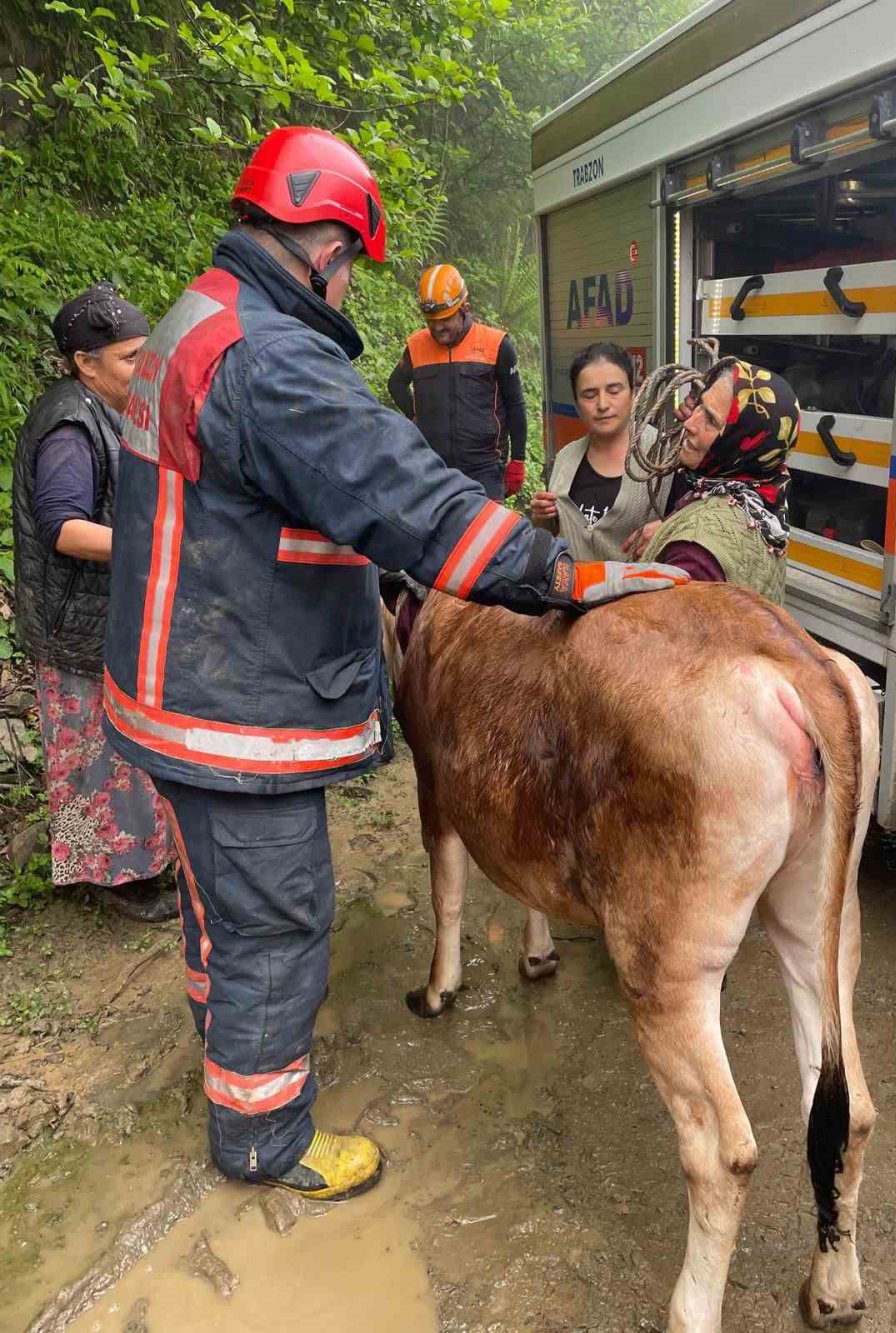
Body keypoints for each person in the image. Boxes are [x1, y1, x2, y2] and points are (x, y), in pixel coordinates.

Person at [101, 126, 688, 1204]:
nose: (351, 280)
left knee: (220, 897)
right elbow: (413, 505)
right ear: (324, 239)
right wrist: (567, 580)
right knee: (278, 914)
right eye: (351, 260)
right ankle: (264, 1136)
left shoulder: (198, 318)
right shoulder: (271, 360)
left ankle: (222, 1034)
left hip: (168, 679)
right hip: (231, 697)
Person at [12, 284, 177, 923]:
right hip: (74, 626)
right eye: (132, 358)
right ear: (86, 362)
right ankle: (116, 879)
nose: (144, 370)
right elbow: (64, 527)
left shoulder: (106, 409)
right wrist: (159, 544)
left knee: (122, 751)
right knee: (94, 758)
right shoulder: (70, 422)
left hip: (103, 615)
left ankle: (137, 862)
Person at [625, 358, 800, 604]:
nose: (689, 423)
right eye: (700, 406)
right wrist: (672, 527)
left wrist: (676, 539)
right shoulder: (764, 496)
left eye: (711, 419)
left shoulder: (694, 555)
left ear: (740, 443)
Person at [387, 263, 527, 502]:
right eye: (431, 321)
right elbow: (396, 384)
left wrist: (518, 460)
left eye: (445, 319)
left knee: (487, 539)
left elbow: (515, 404)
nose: (438, 327)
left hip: (485, 469)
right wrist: (415, 414)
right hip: (433, 468)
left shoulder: (496, 345)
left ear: (465, 308)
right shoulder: (416, 346)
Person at [529, 343, 670, 559]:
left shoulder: (664, 455)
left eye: (614, 391)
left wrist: (670, 528)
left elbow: (699, 521)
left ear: (634, 394)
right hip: (574, 589)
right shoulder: (565, 459)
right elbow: (552, 536)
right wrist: (542, 517)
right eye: (589, 395)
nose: (603, 404)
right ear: (576, 404)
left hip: (645, 591)